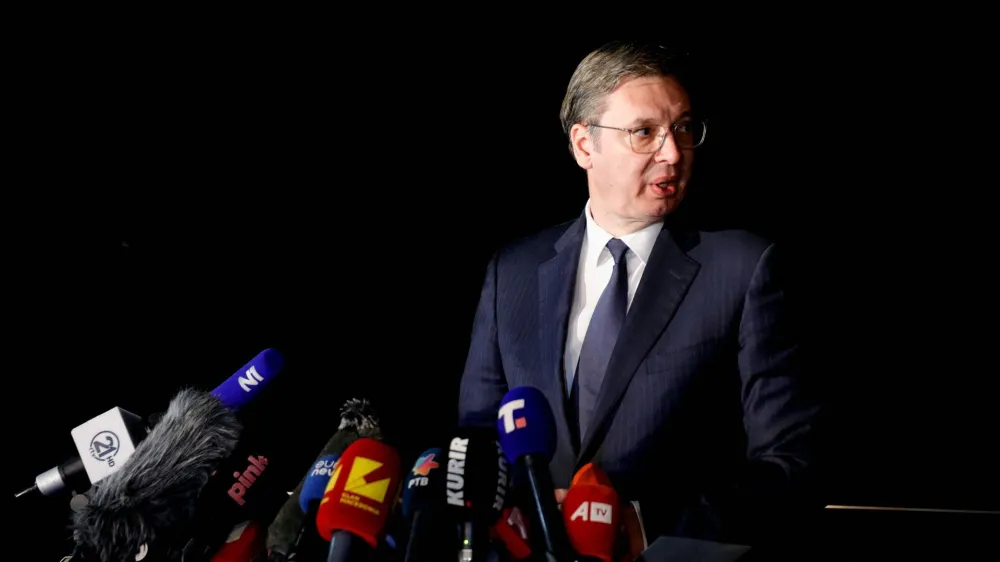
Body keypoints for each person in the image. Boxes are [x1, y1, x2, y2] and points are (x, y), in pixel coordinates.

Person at [456, 40, 824, 550]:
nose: (673, 153)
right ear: (585, 145)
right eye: (644, 133)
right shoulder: (514, 271)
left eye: (683, 129)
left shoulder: (742, 268)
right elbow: (476, 443)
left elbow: (794, 464)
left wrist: (642, 523)